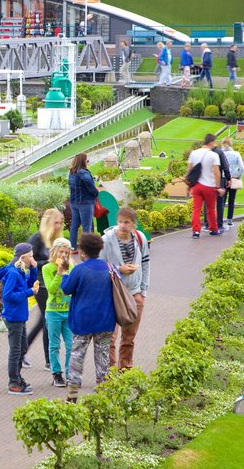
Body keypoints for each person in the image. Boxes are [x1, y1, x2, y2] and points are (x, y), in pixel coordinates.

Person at [61, 233, 115, 403]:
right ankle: (103, 390)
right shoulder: (109, 267)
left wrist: (63, 273)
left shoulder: (79, 269)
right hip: (106, 320)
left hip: (83, 321)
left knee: (77, 354)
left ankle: (73, 392)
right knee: (103, 355)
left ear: (82, 251)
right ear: (100, 249)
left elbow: (67, 289)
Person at [102, 208, 150, 370]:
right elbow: (99, 266)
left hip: (135, 293)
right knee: (109, 337)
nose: (122, 226)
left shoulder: (139, 238)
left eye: (127, 222)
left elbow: (145, 264)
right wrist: (118, 269)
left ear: (134, 224)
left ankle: (125, 370)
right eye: (120, 221)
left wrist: (143, 292)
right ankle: (108, 372)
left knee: (129, 338)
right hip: (112, 294)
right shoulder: (107, 240)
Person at [0, 243, 39, 396]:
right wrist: (29, 292)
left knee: (22, 347)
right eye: (31, 256)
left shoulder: (19, 270)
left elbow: (27, 283)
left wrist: (34, 269)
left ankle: (17, 377)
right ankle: (13, 382)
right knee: (16, 350)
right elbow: (7, 296)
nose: (32, 259)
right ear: (23, 257)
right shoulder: (13, 273)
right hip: (13, 317)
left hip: (19, 316)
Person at [25, 208, 65, 371]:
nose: (59, 226)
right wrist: (50, 263)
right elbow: (29, 262)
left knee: (44, 321)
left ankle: (22, 351)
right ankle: (49, 361)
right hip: (40, 285)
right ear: (49, 222)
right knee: (48, 320)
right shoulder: (37, 239)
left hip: (52, 284)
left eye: (61, 223)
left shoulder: (57, 240)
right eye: (56, 222)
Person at [42, 237, 73, 387]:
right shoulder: (47, 268)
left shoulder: (72, 267)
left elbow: (74, 288)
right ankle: (56, 373)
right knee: (54, 345)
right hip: (53, 311)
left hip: (68, 311)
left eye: (66, 252)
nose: (63, 255)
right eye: (61, 252)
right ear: (54, 251)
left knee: (71, 344)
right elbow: (52, 290)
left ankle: (69, 373)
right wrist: (59, 273)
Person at [187, 134, 223, 238]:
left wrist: (190, 185)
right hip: (209, 185)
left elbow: (189, 169)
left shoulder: (194, 153)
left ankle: (196, 231)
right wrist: (217, 186)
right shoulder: (213, 155)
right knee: (211, 209)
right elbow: (217, 172)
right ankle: (213, 229)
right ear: (211, 142)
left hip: (197, 185)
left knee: (196, 209)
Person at [68, 153, 99, 249]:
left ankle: (73, 248)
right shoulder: (84, 173)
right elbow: (91, 187)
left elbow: (79, 184)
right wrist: (96, 194)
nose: (88, 162)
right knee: (86, 227)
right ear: (83, 161)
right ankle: (87, 249)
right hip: (85, 203)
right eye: (87, 160)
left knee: (74, 226)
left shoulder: (72, 172)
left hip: (74, 202)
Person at [220, 137, 244, 227]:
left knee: (222, 200)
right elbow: (242, 168)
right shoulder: (236, 154)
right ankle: (229, 220)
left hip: (223, 178)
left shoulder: (220, 153)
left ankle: (220, 219)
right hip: (233, 178)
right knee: (231, 200)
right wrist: (239, 176)